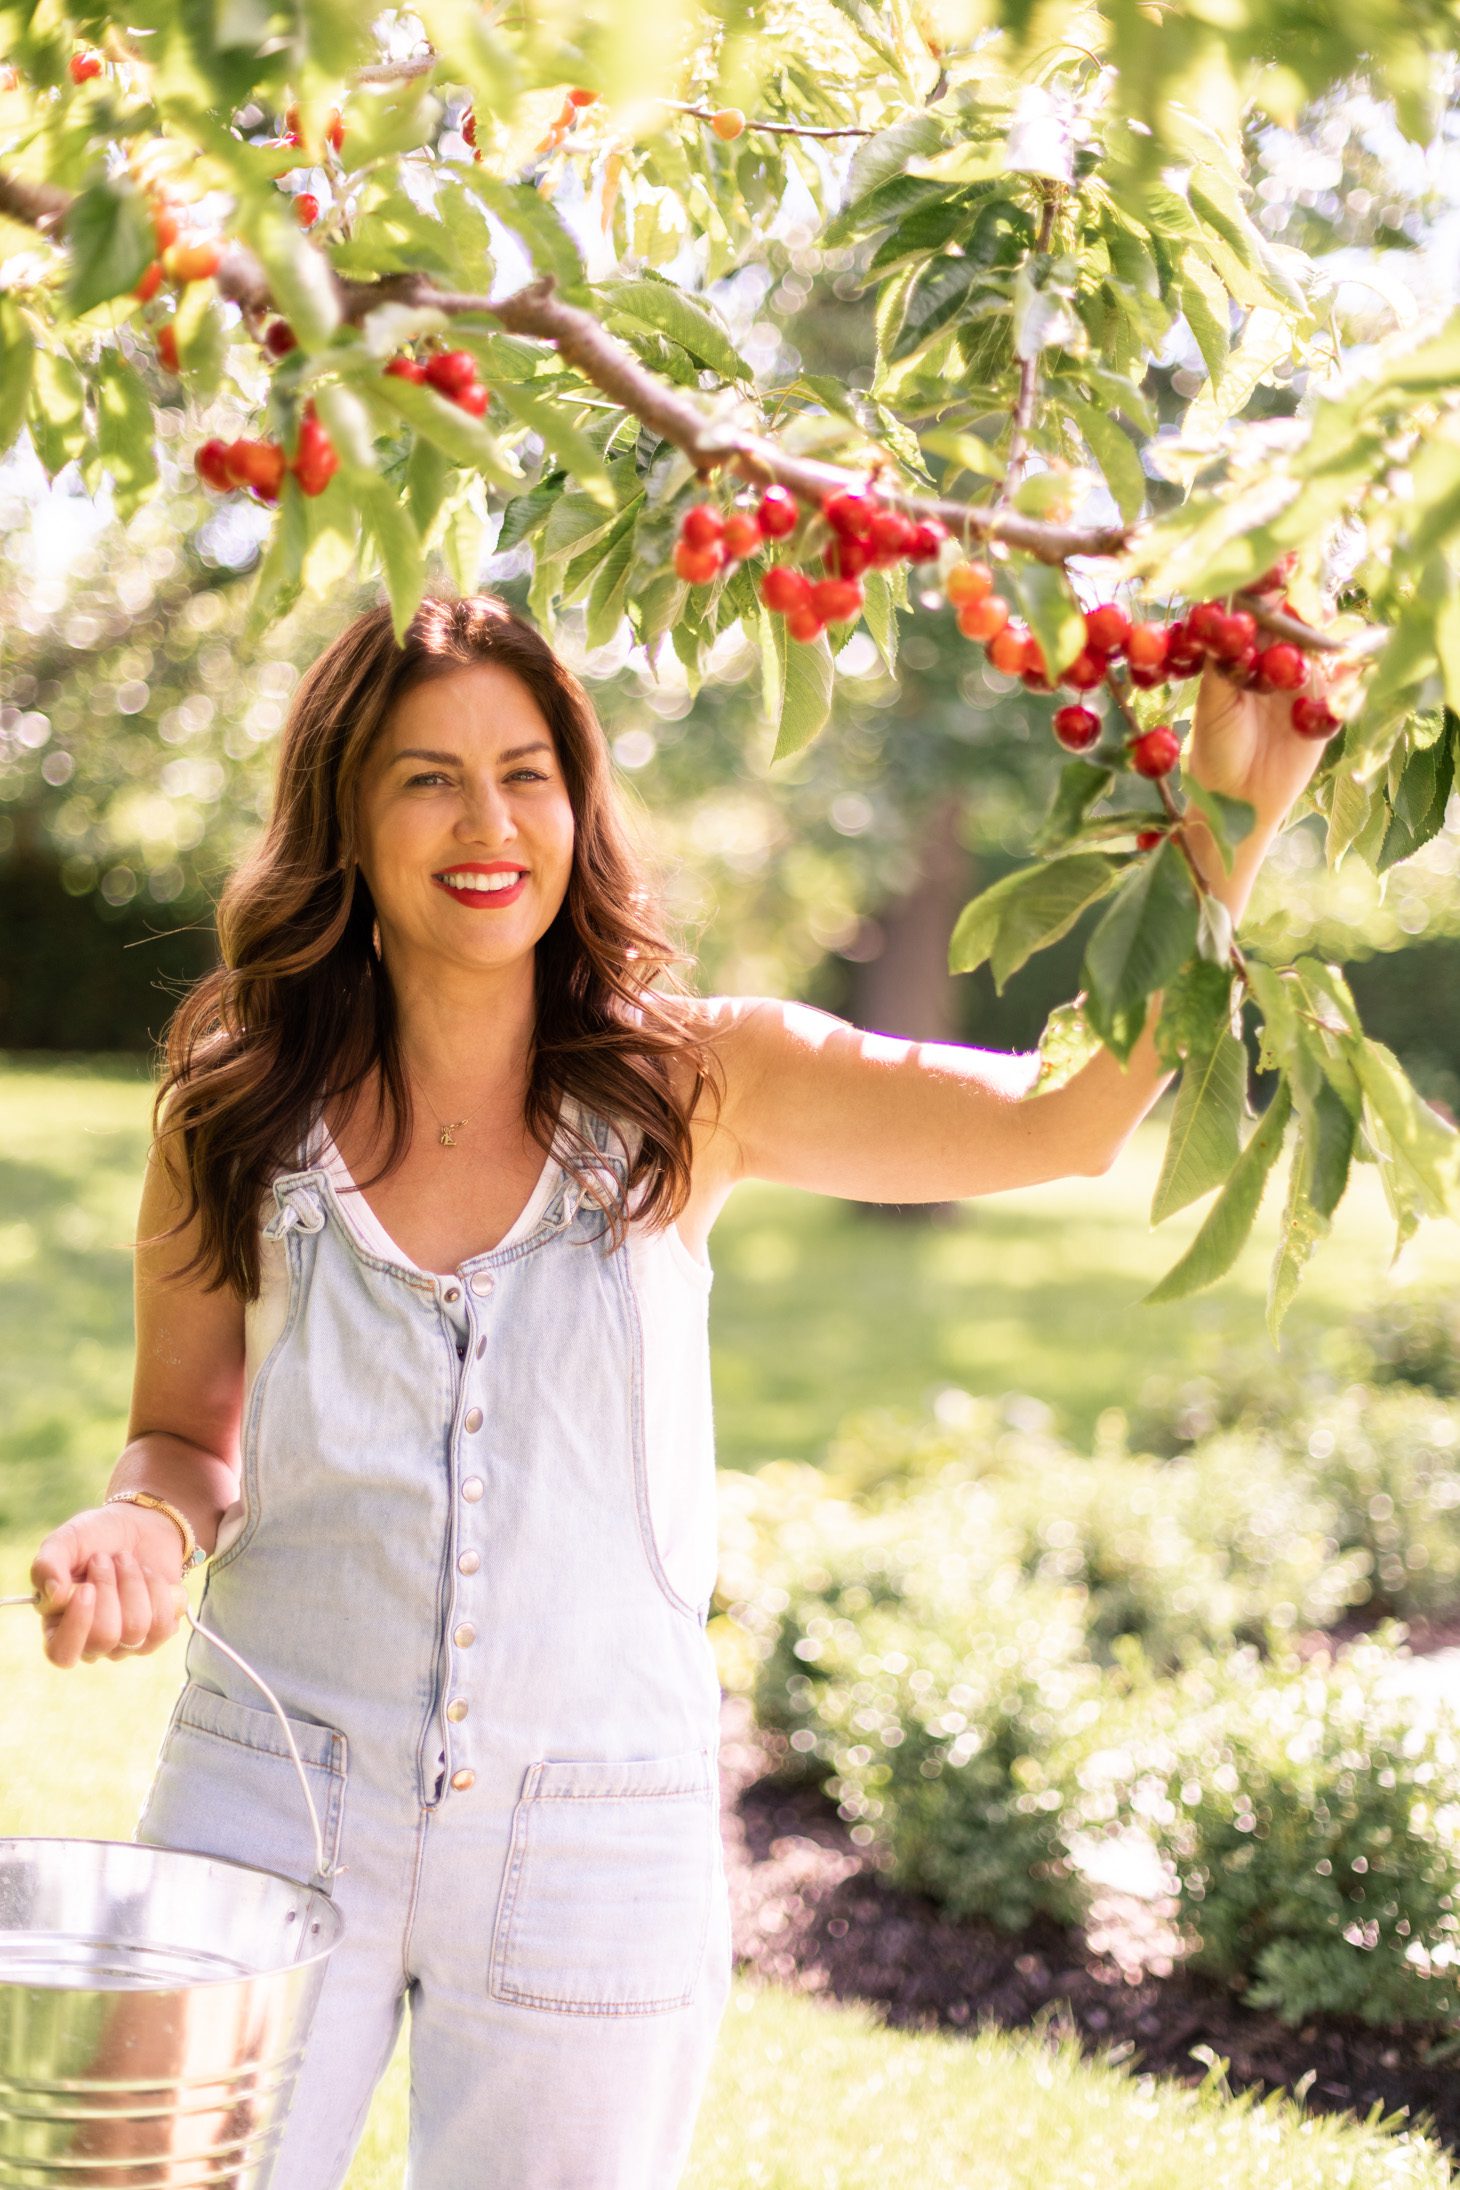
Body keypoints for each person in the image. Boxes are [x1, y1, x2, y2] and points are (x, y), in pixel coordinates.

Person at [26, 590, 1345, 2188]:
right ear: (344, 819)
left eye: (528, 770)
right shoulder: (236, 1102)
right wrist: (143, 1525)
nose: (489, 818)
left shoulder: (692, 1085)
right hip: (271, 1779)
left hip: (595, 1820)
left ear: (580, 804)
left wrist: (1225, 820)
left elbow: (1062, 1121)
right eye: (425, 776)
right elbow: (181, 1435)